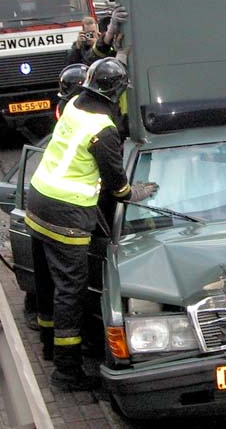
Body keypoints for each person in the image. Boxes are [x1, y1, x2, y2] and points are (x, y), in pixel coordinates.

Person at [25, 57, 158, 391]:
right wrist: (135, 192)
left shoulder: (72, 105)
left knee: (47, 280)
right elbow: (118, 186)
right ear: (116, 91)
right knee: (71, 291)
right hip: (67, 215)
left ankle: (47, 345)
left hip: (39, 197)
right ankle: (66, 373)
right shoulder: (103, 130)